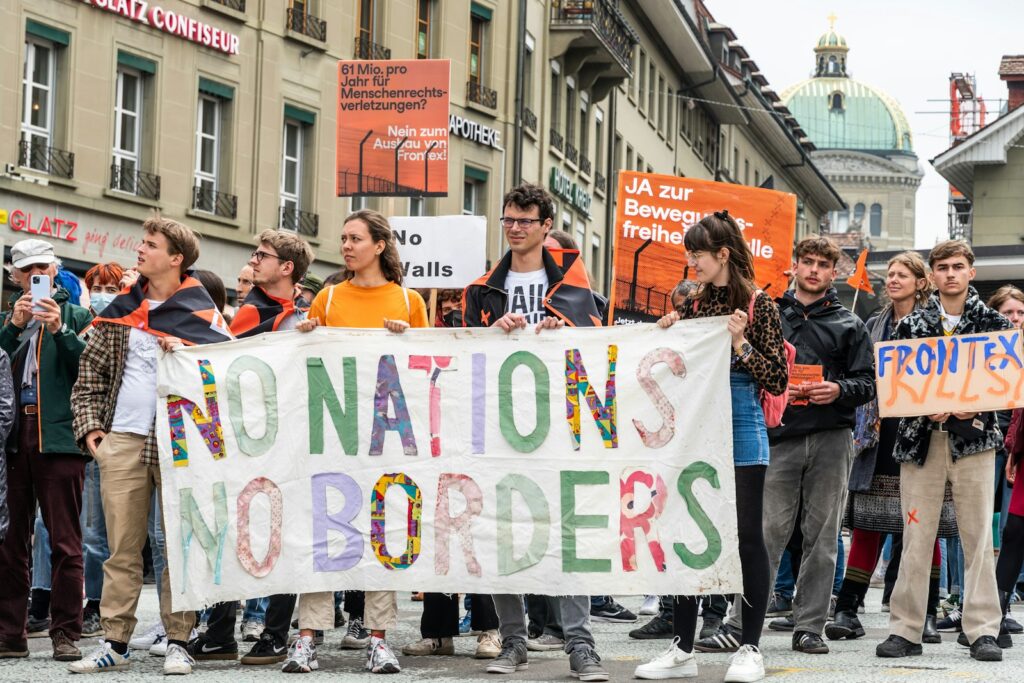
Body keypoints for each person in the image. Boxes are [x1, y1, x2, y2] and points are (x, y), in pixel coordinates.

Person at [69, 217, 233, 675]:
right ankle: (114, 641)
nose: (139, 251)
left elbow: (228, 377)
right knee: (121, 549)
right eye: (142, 243)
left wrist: (189, 354)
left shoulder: (203, 315)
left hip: (180, 441)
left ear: (176, 258)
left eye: (150, 245)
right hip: (122, 438)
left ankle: (179, 640)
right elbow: (90, 375)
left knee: (178, 547)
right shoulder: (123, 308)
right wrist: (92, 432)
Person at [462, 183, 609, 682]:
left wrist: (566, 331)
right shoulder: (482, 290)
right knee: (505, 531)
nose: (516, 229)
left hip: (561, 428)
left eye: (525, 220)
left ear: (547, 226)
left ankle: (581, 645)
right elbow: (464, 355)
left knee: (566, 532)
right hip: (501, 426)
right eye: (508, 220)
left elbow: (602, 355)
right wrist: (488, 332)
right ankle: (513, 640)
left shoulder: (581, 291)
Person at [633, 210, 787, 682]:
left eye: (696, 255)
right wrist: (671, 332)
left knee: (745, 537)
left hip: (740, 423)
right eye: (689, 255)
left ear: (722, 254)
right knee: (686, 534)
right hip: (697, 425)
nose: (691, 264)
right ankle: (682, 647)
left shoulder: (761, 306)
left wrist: (739, 343)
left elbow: (777, 377)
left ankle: (751, 647)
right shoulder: (696, 305)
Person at [709, 235, 874, 657]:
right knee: (764, 534)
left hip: (832, 438)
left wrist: (837, 389)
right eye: (808, 262)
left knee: (823, 537)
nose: (815, 269)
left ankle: (809, 626)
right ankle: (738, 622)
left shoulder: (850, 324)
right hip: (776, 435)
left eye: (823, 264)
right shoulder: (767, 311)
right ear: (794, 266)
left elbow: (869, 384)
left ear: (833, 272)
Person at [297, 209, 428, 675]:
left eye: (355, 238)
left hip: (386, 438)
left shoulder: (409, 300)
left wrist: (408, 340)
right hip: (334, 433)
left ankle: (378, 638)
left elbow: (426, 372)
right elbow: (302, 363)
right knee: (323, 530)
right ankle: (307, 635)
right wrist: (307, 337)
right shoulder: (328, 299)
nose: (346, 246)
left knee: (382, 533)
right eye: (344, 238)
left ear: (379, 245)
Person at [876, 240, 1013, 662]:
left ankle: (982, 629)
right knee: (916, 535)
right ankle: (906, 629)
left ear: (971, 272)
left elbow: (1007, 387)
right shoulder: (909, 325)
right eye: (942, 267)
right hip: (921, 441)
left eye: (958, 266)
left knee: (978, 537)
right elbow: (893, 386)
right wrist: (924, 405)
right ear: (931, 275)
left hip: (975, 440)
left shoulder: (995, 323)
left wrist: (973, 404)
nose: (950, 273)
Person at [188, 230, 317, 667]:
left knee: (284, 533)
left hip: (290, 437)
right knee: (233, 528)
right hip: (245, 436)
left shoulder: (309, 313)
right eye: (255, 254)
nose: (254, 261)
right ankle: (222, 630)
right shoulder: (246, 312)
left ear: (287, 268)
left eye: (263, 256)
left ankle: (274, 633)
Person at [826, 252, 946, 644]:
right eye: (890, 274)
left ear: (920, 281)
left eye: (902, 274)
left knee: (922, 529)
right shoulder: (872, 324)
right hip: (878, 436)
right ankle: (847, 608)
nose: (892, 280)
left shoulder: (937, 323)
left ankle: (925, 614)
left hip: (923, 435)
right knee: (867, 526)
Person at [0, 239, 92, 662]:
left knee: (66, 541)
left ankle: (66, 632)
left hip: (59, 436)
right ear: (16, 276)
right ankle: (9, 633)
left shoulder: (76, 316)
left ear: (54, 270)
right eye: (27, 269)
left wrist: (61, 330)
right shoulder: (9, 318)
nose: (36, 274)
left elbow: (90, 370)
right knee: (9, 539)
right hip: (14, 436)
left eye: (43, 266)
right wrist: (14, 327)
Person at [991, 285, 1024, 640]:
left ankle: (1002, 607)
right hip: (987, 441)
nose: (1014, 319)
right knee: (984, 529)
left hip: (1015, 445)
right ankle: (978, 607)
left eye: (1020, 313)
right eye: (1008, 313)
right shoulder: (984, 350)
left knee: (1012, 531)